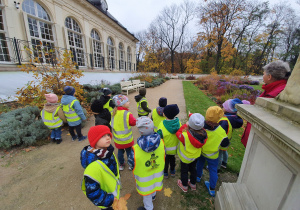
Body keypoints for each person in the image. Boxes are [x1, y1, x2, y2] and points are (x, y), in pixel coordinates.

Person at [241, 60, 291, 147]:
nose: (263, 76)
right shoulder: (273, 90)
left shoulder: (277, 94)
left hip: (260, 142)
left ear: (269, 76)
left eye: (263, 74)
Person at [128, 117, 165, 210]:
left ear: (140, 131)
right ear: (153, 128)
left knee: (146, 196)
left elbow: (131, 163)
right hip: (157, 175)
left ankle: (149, 208)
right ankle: (154, 195)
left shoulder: (135, 149)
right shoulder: (161, 143)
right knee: (153, 186)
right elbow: (164, 155)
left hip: (144, 181)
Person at [81, 125, 120, 210]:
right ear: (95, 141)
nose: (108, 138)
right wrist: (110, 200)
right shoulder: (93, 165)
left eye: (108, 135)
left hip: (113, 193)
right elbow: (92, 191)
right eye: (103, 136)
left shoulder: (108, 151)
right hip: (107, 201)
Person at [196, 106, 229, 197]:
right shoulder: (221, 131)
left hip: (202, 152)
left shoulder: (201, 127)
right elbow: (225, 144)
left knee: (199, 163)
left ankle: (198, 177)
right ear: (219, 118)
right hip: (213, 156)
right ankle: (212, 189)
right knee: (213, 170)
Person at [176, 113, 207, 192]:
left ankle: (184, 185)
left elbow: (178, 133)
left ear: (189, 124)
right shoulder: (204, 135)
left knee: (184, 171)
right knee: (193, 169)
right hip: (195, 157)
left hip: (185, 158)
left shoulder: (185, 136)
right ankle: (193, 184)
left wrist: (185, 125)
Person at [218, 98, 250, 170]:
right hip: (228, 137)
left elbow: (221, 130)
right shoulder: (234, 118)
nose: (222, 108)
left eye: (224, 107)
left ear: (229, 110)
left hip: (222, 139)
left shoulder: (226, 119)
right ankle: (224, 163)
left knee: (219, 153)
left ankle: (217, 167)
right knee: (224, 150)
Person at [111, 94, 136, 171]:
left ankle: (121, 164)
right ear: (123, 104)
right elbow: (133, 123)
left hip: (118, 140)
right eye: (127, 101)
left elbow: (111, 124)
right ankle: (130, 165)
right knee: (129, 152)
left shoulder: (113, 113)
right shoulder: (127, 114)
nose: (129, 102)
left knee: (120, 152)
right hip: (127, 139)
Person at [157, 104, 181, 178]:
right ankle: (173, 171)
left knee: (165, 160)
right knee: (172, 159)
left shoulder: (161, 125)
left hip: (165, 149)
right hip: (174, 148)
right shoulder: (178, 123)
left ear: (166, 114)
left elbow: (159, 136)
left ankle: (165, 173)